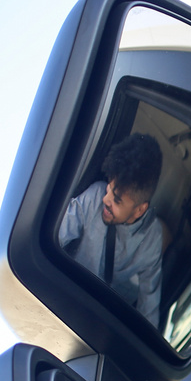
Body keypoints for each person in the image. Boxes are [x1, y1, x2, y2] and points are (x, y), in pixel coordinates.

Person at [57, 132, 165, 328]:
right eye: (109, 188)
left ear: (140, 209)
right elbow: (57, 234)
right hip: (66, 303)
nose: (105, 200)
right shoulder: (94, 197)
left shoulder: (152, 238)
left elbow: (149, 308)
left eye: (116, 200)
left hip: (101, 324)